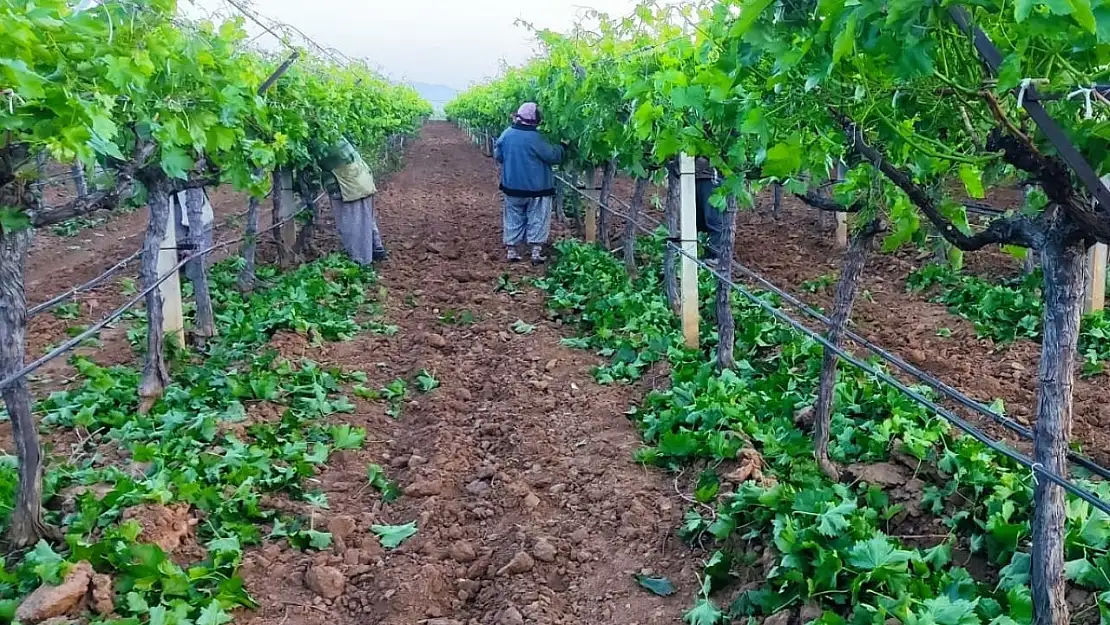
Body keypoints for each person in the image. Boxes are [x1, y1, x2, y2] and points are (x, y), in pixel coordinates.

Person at [494, 102, 565, 265]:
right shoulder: (537, 138)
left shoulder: (507, 134)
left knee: (512, 217)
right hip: (537, 189)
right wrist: (562, 147)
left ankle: (512, 251)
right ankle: (535, 253)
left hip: (512, 187)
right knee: (538, 218)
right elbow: (553, 156)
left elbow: (498, 155)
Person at [322, 137, 387, 265]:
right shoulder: (333, 133)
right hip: (361, 179)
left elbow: (314, 161)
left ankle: (359, 262)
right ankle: (375, 248)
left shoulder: (320, 140)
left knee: (352, 224)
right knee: (365, 218)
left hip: (349, 187)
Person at [695, 156, 724, 266]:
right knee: (697, 219)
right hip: (692, 176)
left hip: (711, 177)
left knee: (712, 217)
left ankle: (715, 255)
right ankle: (701, 251)